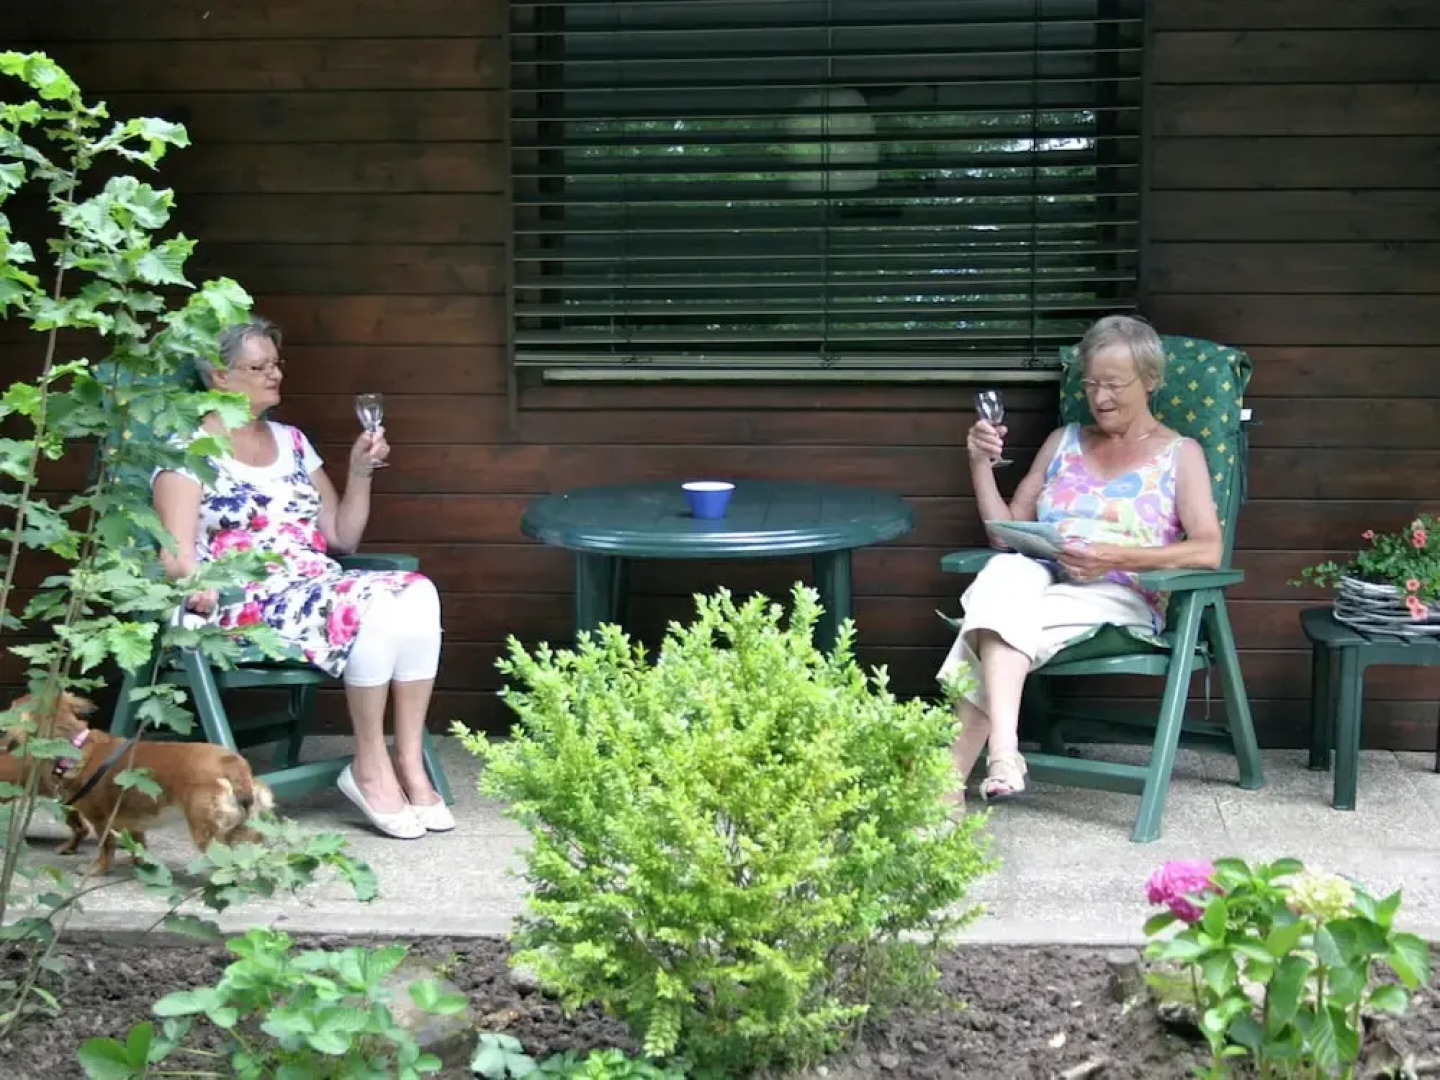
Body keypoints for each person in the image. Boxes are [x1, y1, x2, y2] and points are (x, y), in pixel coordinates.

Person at [151, 317, 453, 840]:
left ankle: (408, 763)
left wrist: (358, 473)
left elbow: (341, 538)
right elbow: (174, 553)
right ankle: (368, 765)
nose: (274, 375)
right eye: (258, 366)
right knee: (374, 608)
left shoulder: (293, 442)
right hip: (243, 602)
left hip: (312, 585)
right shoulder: (188, 451)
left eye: (276, 364)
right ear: (219, 377)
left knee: (419, 593)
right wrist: (193, 580)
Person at [938, 314, 1224, 803]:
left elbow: (1208, 550)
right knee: (1004, 570)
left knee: (988, 623)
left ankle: (941, 791)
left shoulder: (1181, 454)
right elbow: (1004, 533)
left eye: (1114, 384)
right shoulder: (1063, 441)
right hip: (1038, 576)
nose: (1100, 397)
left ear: (1151, 381)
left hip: (1118, 594)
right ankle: (1004, 753)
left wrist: (1114, 556)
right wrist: (980, 464)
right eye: (1091, 384)